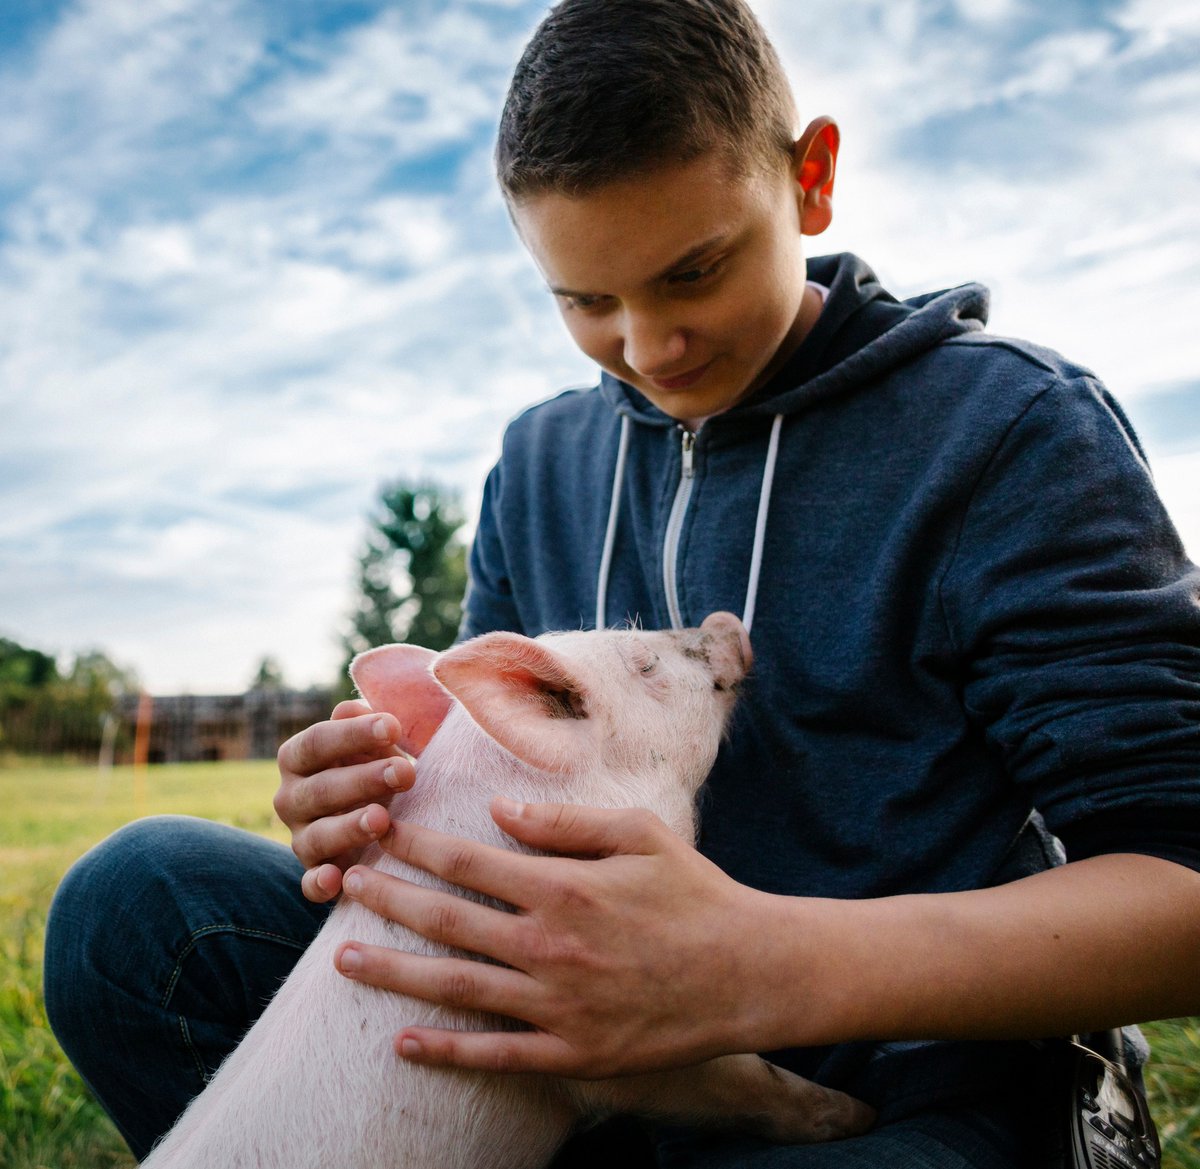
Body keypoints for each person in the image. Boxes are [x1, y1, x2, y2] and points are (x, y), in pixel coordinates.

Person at [44, 1, 1200, 1166]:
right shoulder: (540, 462)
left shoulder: (1007, 431)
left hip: (906, 1090)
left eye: (694, 270)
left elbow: (1182, 887)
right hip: (574, 1057)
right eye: (585, 301)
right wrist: (378, 803)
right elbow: (487, 779)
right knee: (137, 906)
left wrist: (758, 966)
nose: (649, 348)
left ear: (811, 178)